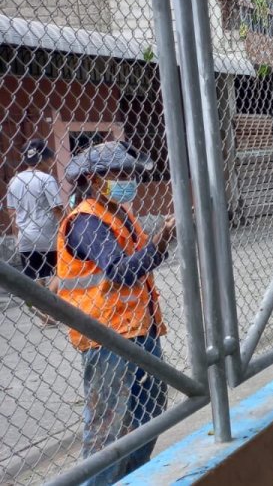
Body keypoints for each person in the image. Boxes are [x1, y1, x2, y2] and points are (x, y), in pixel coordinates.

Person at [56, 141, 176, 485]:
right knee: (109, 426)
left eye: (130, 173)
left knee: (150, 410)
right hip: (107, 335)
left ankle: (134, 478)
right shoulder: (87, 222)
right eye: (119, 174)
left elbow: (140, 264)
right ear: (93, 179)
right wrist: (159, 242)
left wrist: (161, 242)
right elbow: (120, 271)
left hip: (138, 327)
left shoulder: (119, 213)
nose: (128, 180)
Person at [6, 138, 65, 327]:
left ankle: (41, 308)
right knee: (60, 270)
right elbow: (56, 208)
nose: (51, 163)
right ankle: (48, 306)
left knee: (36, 274)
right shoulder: (46, 179)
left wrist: (17, 236)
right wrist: (67, 227)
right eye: (49, 159)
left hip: (25, 236)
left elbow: (11, 211)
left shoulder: (14, 180)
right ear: (42, 159)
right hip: (48, 234)